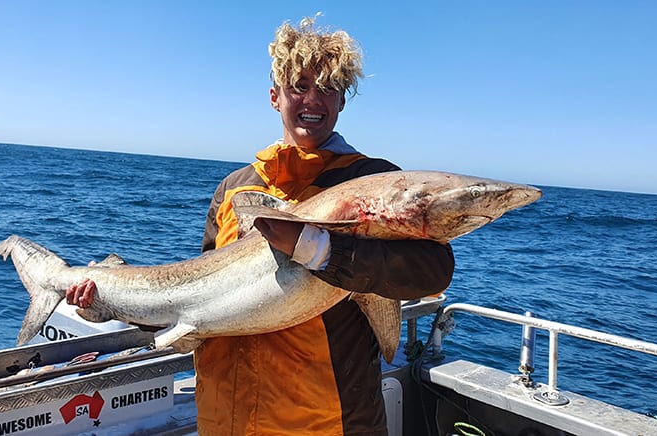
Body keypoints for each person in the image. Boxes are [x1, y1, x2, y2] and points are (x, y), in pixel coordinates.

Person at [67, 16, 454, 435]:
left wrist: (320, 249)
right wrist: (104, 306)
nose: (313, 100)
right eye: (299, 86)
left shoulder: (371, 182)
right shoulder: (234, 188)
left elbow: (431, 271)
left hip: (326, 420)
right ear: (275, 96)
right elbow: (198, 297)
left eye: (327, 88)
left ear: (342, 101)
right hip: (224, 413)